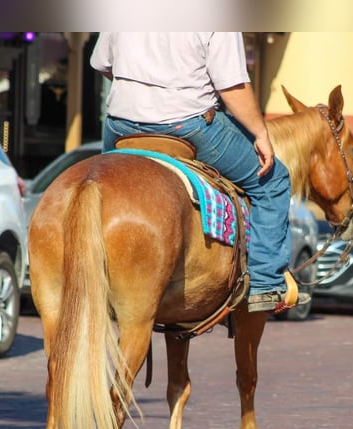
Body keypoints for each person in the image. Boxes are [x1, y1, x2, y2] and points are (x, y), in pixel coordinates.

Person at [90, 32, 308, 313]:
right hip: (188, 127)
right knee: (273, 180)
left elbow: (101, 64)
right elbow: (231, 87)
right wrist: (260, 133)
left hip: (121, 127)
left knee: (96, 185)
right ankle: (265, 284)